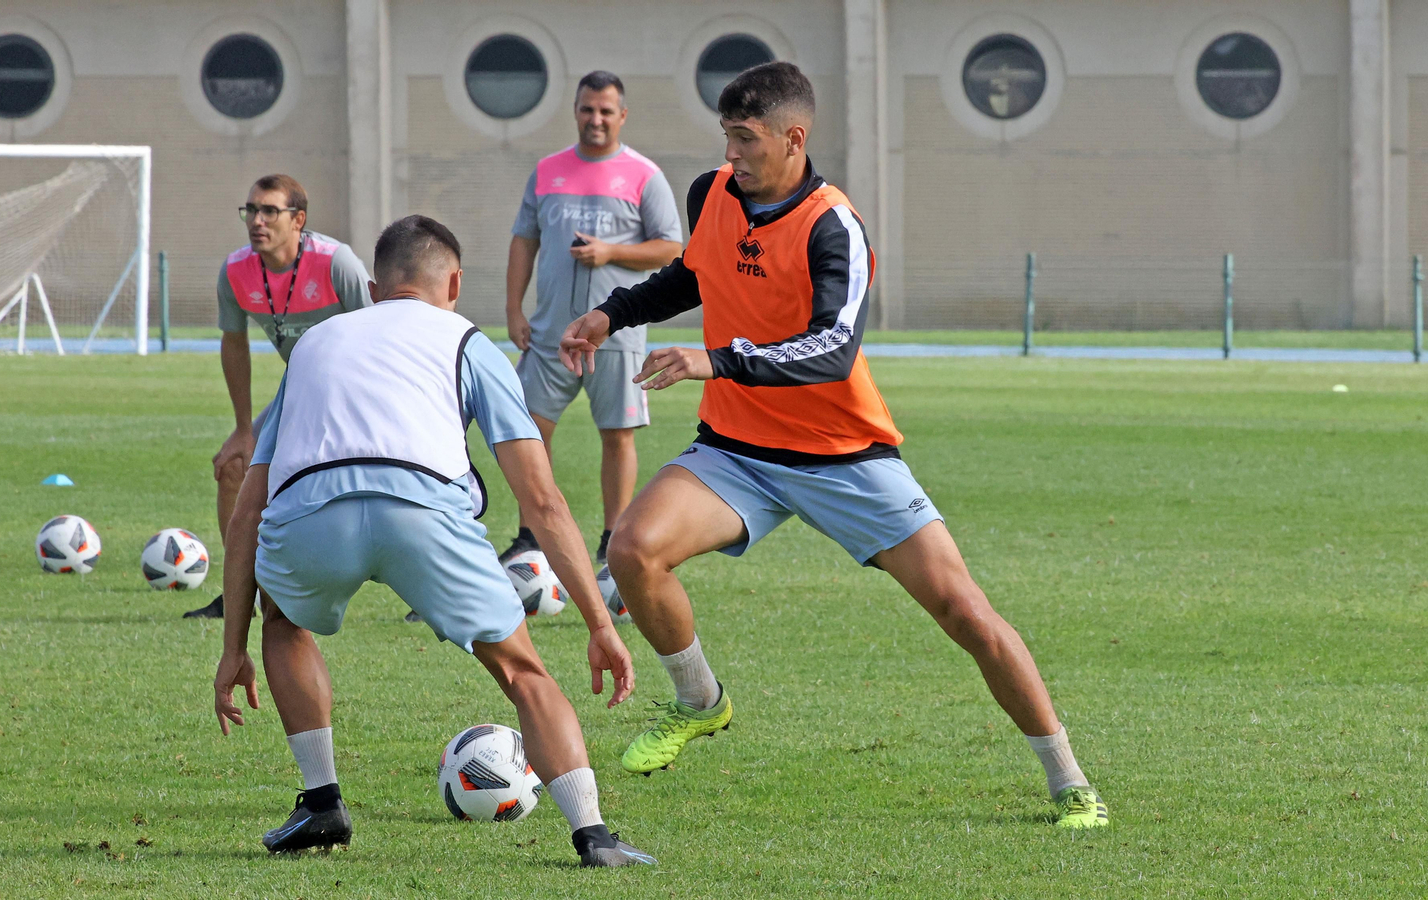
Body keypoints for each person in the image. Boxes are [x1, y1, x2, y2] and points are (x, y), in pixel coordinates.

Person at [560, 62, 1109, 828]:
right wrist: (610, 314)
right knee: (632, 549)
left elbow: (832, 348)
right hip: (737, 451)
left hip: (843, 456)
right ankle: (699, 701)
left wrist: (713, 361)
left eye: (745, 139)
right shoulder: (711, 192)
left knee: (966, 612)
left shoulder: (831, 224)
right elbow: (696, 274)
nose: (732, 154)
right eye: (725, 136)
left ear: (794, 137)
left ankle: (1069, 778)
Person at [211, 215, 656, 866]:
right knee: (522, 671)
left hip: (311, 515)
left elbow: (249, 504)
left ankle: (322, 800)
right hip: (424, 512)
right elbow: (542, 499)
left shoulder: (312, 345)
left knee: (282, 619)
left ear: (370, 289)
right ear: (454, 283)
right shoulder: (468, 341)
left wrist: (233, 645)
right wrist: (600, 624)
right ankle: (592, 835)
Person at [502, 70, 683, 572]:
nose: (596, 119)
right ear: (576, 110)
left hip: (616, 335)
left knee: (617, 434)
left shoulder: (644, 174)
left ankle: (611, 544)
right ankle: (529, 539)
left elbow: (671, 247)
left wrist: (611, 253)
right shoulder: (547, 171)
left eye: (606, 111)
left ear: (622, 115)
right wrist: (515, 309)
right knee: (530, 432)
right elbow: (524, 240)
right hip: (549, 334)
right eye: (587, 109)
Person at [184, 174, 372, 619]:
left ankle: (436, 591)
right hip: (303, 388)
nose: (257, 220)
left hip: (360, 392)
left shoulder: (336, 263)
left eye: (270, 211)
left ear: (298, 219)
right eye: (251, 210)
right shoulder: (235, 271)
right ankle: (239, 594)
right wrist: (243, 429)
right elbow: (235, 344)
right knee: (232, 466)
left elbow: (381, 329)